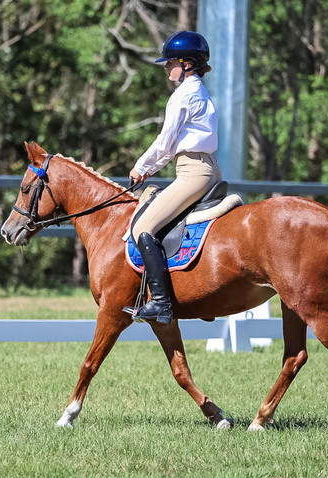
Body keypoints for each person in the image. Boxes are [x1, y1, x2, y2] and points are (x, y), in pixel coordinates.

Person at [124, 30, 223, 324]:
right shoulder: (201, 92)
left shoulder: (183, 95)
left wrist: (142, 168)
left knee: (143, 227)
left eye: (171, 61)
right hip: (210, 169)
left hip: (193, 171)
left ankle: (162, 304)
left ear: (188, 64)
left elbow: (166, 143)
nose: (166, 66)